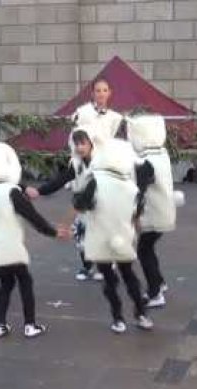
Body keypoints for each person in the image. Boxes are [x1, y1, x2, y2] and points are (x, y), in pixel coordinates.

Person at [0, 143, 66, 339]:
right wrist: (53, 232)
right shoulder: (11, 191)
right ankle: (30, 324)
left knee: (6, 282)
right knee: (24, 280)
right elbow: (33, 217)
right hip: (10, 248)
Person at [73, 138, 151, 333]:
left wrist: (78, 194)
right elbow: (137, 213)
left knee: (109, 279)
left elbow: (81, 204)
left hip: (100, 237)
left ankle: (118, 318)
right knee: (129, 274)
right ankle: (141, 314)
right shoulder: (131, 187)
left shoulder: (95, 182)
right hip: (123, 237)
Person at [26, 125, 105, 281]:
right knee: (81, 238)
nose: (80, 147)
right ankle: (87, 268)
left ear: (91, 143)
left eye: (83, 143)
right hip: (81, 207)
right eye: (77, 144)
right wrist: (39, 191)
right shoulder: (76, 164)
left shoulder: (102, 162)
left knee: (102, 237)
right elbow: (60, 180)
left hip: (100, 205)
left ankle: (106, 269)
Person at [127, 114, 184, 308]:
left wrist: (135, 215)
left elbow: (140, 190)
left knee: (144, 250)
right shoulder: (161, 154)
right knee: (148, 248)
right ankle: (159, 282)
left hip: (152, 213)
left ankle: (155, 293)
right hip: (164, 210)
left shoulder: (145, 161)